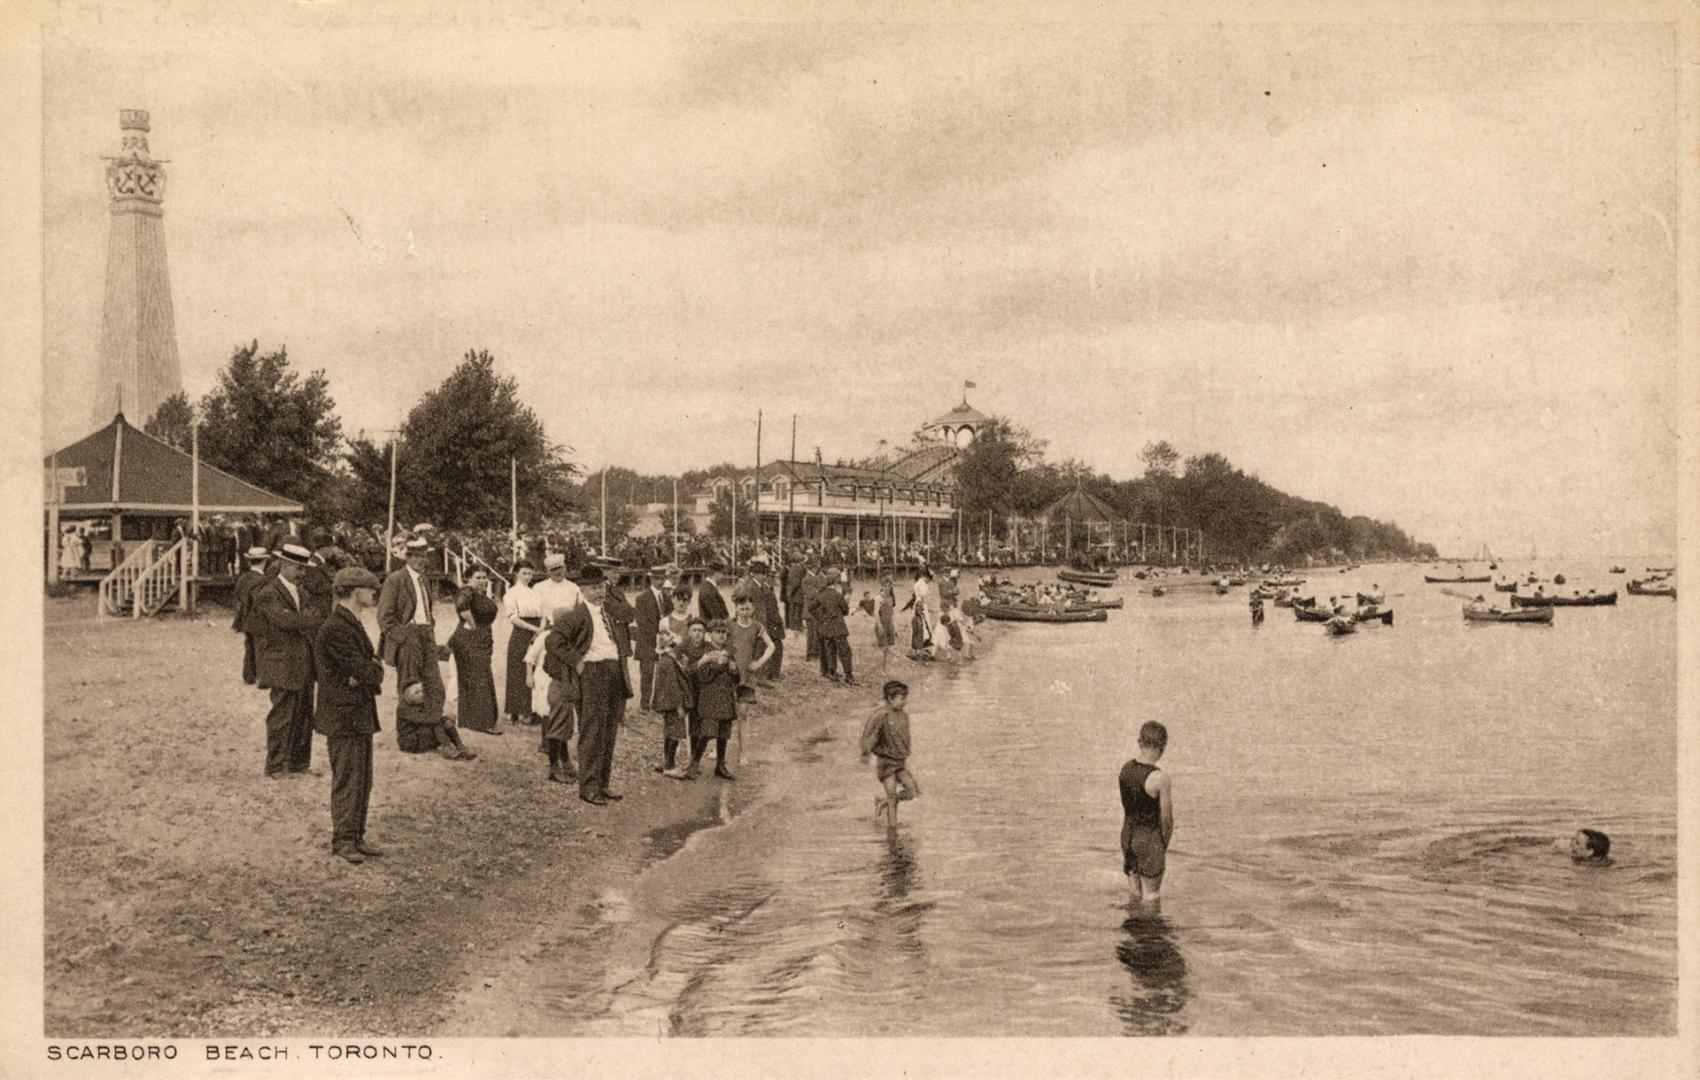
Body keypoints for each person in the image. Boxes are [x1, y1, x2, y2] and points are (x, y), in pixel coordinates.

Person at [312, 567, 386, 864]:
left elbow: (368, 671)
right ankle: (344, 839)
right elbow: (368, 671)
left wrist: (367, 671)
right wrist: (368, 671)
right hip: (344, 715)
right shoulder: (337, 627)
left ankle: (355, 835)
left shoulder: (347, 623)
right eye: (370, 590)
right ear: (356, 591)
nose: (373, 595)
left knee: (362, 778)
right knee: (348, 778)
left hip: (355, 712)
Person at [554, 564, 633, 806]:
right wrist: (577, 662)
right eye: (594, 588)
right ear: (583, 589)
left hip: (614, 673)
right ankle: (588, 788)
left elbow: (632, 616)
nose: (599, 592)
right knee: (592, 732)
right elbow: (554, 642)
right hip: (592, 674)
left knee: (609, 731)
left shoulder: (609, 611)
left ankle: (603, 783)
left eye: (601, 587)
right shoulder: (575, 615)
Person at [250, 543, 325, 778]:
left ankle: (299, 763)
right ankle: (275, 766)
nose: (303, 574)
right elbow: (288, 622)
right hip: (281, 664)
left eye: (304, 569)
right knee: (282, 716)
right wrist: (304, 619)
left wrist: (300, 619)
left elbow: (313, 617)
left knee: (304, 715)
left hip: (303, 662)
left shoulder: (301, 592)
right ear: (284, 564)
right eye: (298, 568)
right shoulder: (267, 593)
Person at [377, 538, 450, 742]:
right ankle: (410, 736)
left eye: (424, 556)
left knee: (435, 686)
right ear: (407, 557)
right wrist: (404, 637)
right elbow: (384, 617)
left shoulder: (424, 580)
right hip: (408, 637)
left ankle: (431, 734)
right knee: (411, 688)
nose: (421, 560)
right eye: (416, 556)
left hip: (426, 635)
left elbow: (427, 611)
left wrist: (429, 628)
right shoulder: (396, 579)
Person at [1119, 721, 1175, 902]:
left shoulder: (1125, 769)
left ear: (1140, 742)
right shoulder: (1160, 778)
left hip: (1127, 836)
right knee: (1152, 897)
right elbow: (1167, 819)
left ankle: (1132, 928)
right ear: (1162, 746)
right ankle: (1152, 930)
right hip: (1149, 840)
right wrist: (1163, 844)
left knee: (1134, 895)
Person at [448, 569, 502, 736]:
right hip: (469, 639)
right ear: (467, 579)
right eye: (478, 577)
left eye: (485, 577)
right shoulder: (466, 591)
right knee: (479, 676)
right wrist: (474, 626)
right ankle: (482, 722)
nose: (482, 581)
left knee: (478, 675)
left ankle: (472, 719)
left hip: (481, 637)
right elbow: (462, 608)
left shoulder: (480, 594)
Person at [860, 679, 918, 827]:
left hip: (900, 762)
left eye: (905, 697)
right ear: (890, 698)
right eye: (901, 698)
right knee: (892, 794)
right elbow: (870, 734)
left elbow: (905, 737)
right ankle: (892, 829)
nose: (904, 702)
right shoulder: (881, 715)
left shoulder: (903, 716)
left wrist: (905, 751)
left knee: (912, 791)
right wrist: (866, 753)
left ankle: (882, 802)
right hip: (886, 763)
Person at [650, 595, 695, 777]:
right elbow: (671, 685)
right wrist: (678, 705)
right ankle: (669, 765)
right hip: (672, 702)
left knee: (670, 730)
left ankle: (667, 761)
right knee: (675, 732)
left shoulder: (670, 659)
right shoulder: (668, 661)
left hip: (669, 700)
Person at [690, 619, 740, 780]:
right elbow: (702, 677)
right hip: (710, 699)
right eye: (718, 632)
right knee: (707, 733)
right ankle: (694, 764)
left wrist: (733, 671)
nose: (722, 636)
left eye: (724, 633)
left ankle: (720, 765)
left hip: (726, 698)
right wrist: (718, 665)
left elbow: (737, 679)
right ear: (709, 635)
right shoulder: (705, 653)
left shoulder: (729, 653)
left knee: (723, 734)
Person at [538, 604, 579, 783]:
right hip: (560, 688)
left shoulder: (563, 640)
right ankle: (554, 768)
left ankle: (566, 762)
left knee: (564, 728)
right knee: (557, 729)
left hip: (561, 687)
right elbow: (551, 666)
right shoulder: (558, 642)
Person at [502, 562, 543, 724]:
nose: (528, 577)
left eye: (530, 574)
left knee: (535, 668)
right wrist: (533, 628)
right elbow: (513, 618)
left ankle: (532, 710)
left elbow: (543, 612)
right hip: (521, 632)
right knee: (519, 670)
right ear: (517, 574)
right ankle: (517, 711)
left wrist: (541, 629)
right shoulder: (511, 593)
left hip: (537, 631)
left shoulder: (535, 593)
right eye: (524, 573)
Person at [633, 566, 672, 708]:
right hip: (647, 641)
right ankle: (645, 703)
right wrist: (657, 635)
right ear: (651, 579)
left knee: (661, 672)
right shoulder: (641, 598)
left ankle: (657, 702)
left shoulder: (667, 598)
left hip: (663, 641)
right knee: (647, 674)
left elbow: (670, 618)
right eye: (657, 578)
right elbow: (641, 622)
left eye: (662, 578)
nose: (660, 582)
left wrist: (666, 635)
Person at [232, 547, 270, 685]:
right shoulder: (262, 580)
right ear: (264, 561)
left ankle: (249, 675)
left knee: (249, 646)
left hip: (245, 618)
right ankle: (262, 677)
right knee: (261, 646)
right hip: (258, 618)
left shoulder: (243, 578)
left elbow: (237, 596)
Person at [728, 596, 777, 701]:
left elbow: (771, 646)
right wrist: (728, 660)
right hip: (731, 671)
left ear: (753, 609)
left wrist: (759, 662)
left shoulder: (757, 626)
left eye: (747, 609)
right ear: (736, 608)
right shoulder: (729, 624)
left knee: (744, 708)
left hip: (748, 672)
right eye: (742, 609)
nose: (745, 612)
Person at [811, 572, 853, 684]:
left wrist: (821, 617)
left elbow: (811, 607)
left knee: (830, 650)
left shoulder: (820, 595)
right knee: (844, 651)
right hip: (838, 627)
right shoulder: (837, 595)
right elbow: (846, 610)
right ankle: (848, 675)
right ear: (834, 584)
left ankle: (832, 672)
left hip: (826, 627)